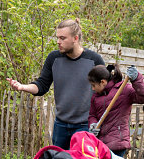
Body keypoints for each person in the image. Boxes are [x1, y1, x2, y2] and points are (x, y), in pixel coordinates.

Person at [7, 19, 105, 150]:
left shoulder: (94, 60)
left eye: (63, 38)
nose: (58, 42)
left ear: (75, 38)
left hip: (85, 126)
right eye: (57, 37)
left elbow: (105, 91)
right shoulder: (54, 58)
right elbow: (41, 86)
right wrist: (22, 86)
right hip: (61, 126)